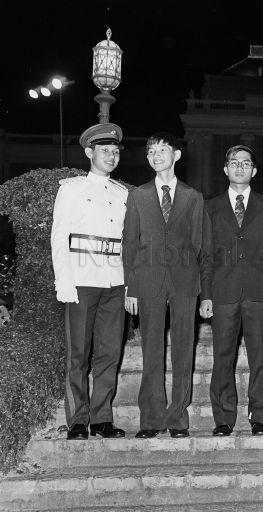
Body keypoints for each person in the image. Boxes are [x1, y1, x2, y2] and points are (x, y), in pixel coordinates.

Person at [123, 132, 210, 439]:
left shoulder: (193, 196)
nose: (156, 155)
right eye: (151, 151)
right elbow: (129, 243)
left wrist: (193, 277)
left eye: (162, 149)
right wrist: (131, 287)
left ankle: (178, 418)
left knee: (183, 349)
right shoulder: (138, 195)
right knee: (151, 349)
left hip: (184, 280)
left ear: (177, 155)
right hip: (148, 280)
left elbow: (199, 243)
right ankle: (151, 418)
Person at [51, 123, 128, 440]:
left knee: (109, 354)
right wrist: (64, 281)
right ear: (89, 152)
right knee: (79, 355)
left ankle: (102, 418)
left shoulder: (123, 193)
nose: (111, 156)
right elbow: (59, 237)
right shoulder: (71, 189)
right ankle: (78, 421)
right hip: (82, 280)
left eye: (115, 151)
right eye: (104, 150)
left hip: (115, 281)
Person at [199, 145, 263, 437]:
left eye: (246, 163)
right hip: (223, 292)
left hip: (259, 293)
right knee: (222, 357)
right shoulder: (209, 207)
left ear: (254, 171)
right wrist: (206, 295)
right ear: (225, 169)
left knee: (261, 358)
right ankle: (223, 418)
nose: (240, 167)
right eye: (234, 162)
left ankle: (260, 417)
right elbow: (206, 255)